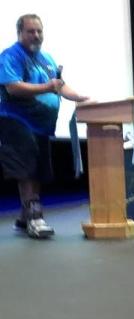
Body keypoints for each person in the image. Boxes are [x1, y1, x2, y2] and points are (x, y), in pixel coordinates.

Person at [0, 14, 88, 239]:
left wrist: (80, 98)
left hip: (41, 124)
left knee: (39, 168)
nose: (36, 35)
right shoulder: (11, 55)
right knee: (27, 165)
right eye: (31, 31)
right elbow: (12, 87)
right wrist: (47, 87)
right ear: (20, 33)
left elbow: (59, 85)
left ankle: (24, 216)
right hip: (16, 119)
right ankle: (34, 216)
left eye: (39, 31)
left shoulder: (46, 58)